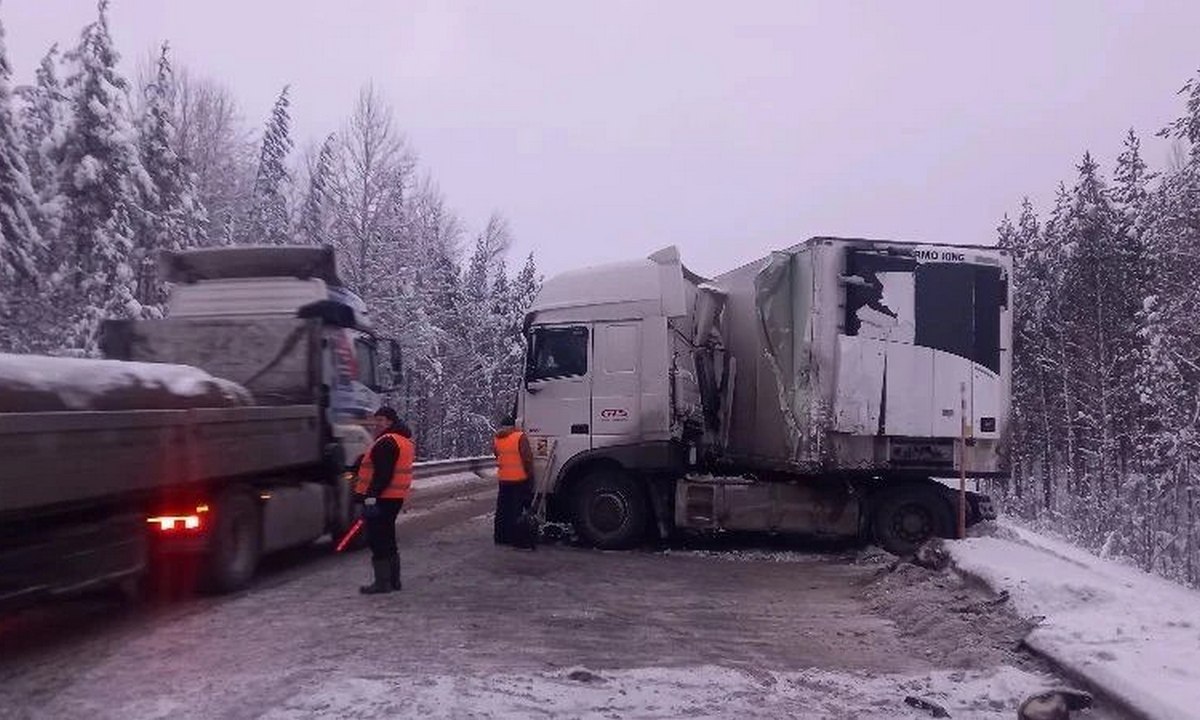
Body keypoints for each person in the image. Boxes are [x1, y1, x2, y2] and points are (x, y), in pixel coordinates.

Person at [353, 406, 414, 593]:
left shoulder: (386, 441)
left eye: (381, 420)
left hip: (382, 498)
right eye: (376, 420)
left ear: (390, 421)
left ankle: (382, 583)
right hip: (394, 497)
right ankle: (394, 581)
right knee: (388, 537)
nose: (376, 424)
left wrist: (372, 495)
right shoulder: (403, 440)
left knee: (377, 539)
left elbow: (383, 474)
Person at [492, 414, 536, 549]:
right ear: (513, 426)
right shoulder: (519, 437)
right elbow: (527, 458)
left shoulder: (497, 438)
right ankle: (515, 539)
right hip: (518, 479)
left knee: (502, 509)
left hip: (503, 479)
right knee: (515, 510)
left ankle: (500, 537)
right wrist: (530, 475)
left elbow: (497, 455)